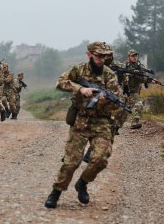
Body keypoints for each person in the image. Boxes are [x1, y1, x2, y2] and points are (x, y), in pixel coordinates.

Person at [44, 41, 123, 208]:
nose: (102, 59)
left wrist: (104, 101)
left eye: (105, 56)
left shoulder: (110, 75)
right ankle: (56, 192)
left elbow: (117, 102)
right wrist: (80, 89)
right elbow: (60, 82)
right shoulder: (78, 69)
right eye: (99, 56)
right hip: (81, 121)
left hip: (102, 122)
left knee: (100, 159)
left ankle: (82, 183)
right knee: (71, 162)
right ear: (90, 55)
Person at [125, 49, 148, 129]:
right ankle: (114, 124)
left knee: (139, 104)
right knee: (121, 109)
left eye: (135, 56)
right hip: (123, 91)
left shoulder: (140, 67)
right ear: (128, 57)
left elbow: (144, 79)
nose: (134, 57)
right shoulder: (124, 66)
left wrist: (137, 75)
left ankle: (135, 122)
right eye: (132, 56)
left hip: (134, 92)